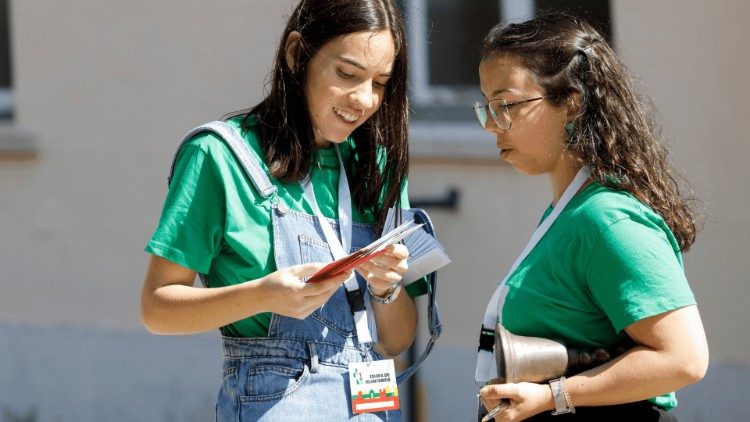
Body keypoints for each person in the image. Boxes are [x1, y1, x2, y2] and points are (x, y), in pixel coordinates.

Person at [140, 1, 430, 420]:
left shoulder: (378, 167)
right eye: (347, 74)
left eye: (380, 82)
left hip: (371, 405)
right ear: (297, 55)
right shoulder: (219, 156)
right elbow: (156, 308)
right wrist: (264, 296)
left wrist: (388, 289)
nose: (365, 99)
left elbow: (396, 340)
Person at [473, 13, 708, 421]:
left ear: (571, 102)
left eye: (506, 105)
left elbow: (684, 359)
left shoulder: (607, 218)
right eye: (487, 108)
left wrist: (554, 396)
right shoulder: (571, 210)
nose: (491, 126)